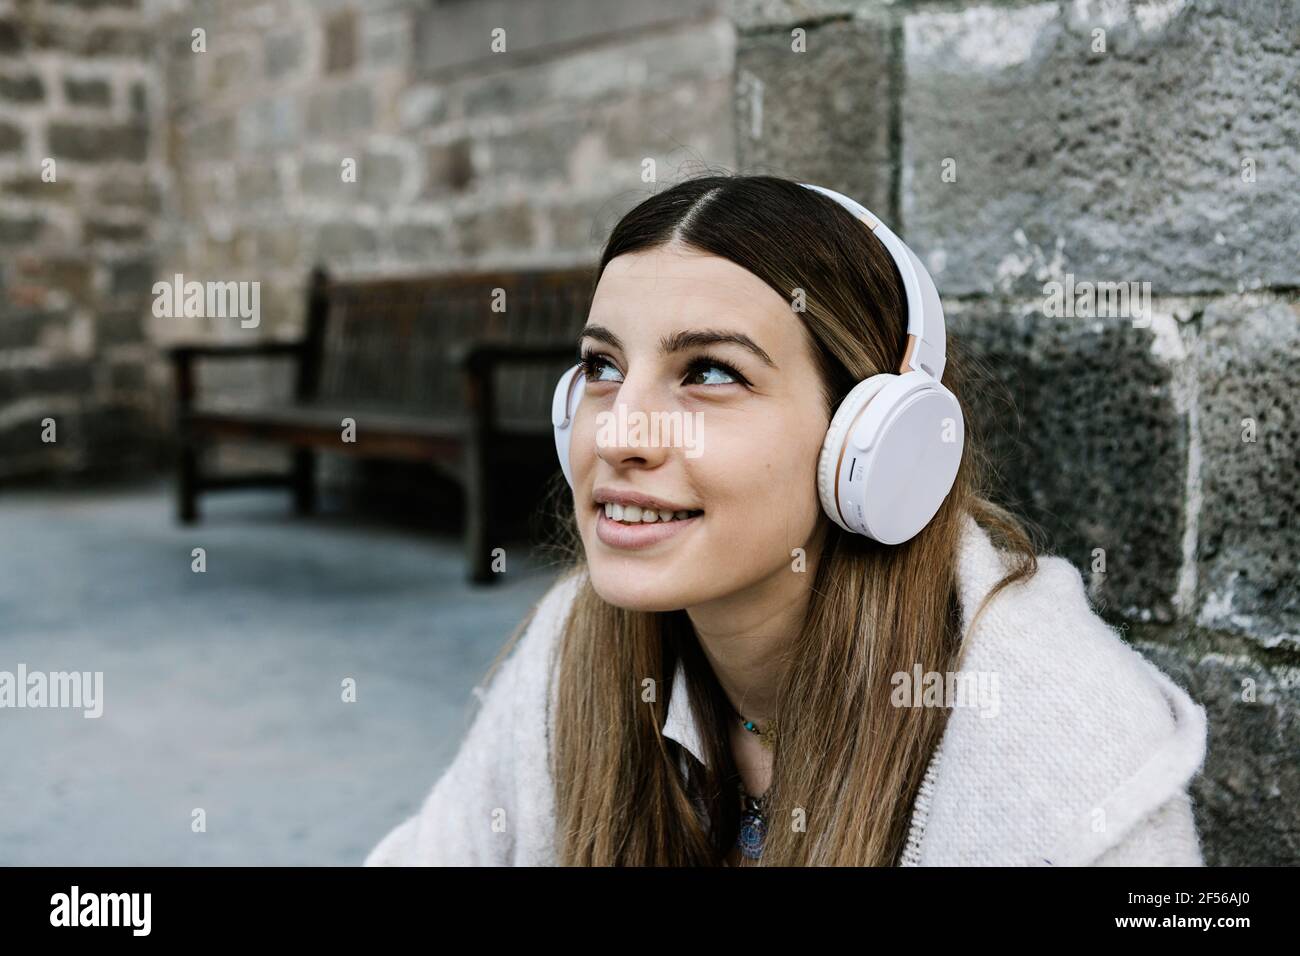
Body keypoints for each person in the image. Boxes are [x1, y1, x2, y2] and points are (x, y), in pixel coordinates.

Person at [364, 174, 1207, 867]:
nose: (618, 434)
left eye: (711, 374)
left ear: (871, 440)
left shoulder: (1065, 745)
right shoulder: (578, 640)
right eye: (601, 366)